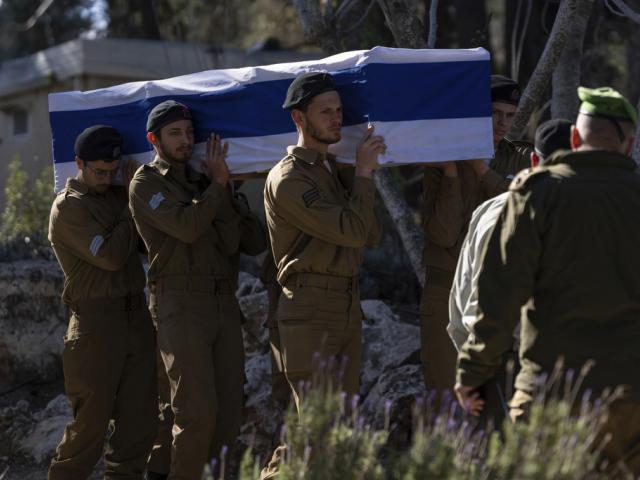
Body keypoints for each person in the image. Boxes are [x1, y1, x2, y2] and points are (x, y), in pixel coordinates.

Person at [455, 87, 640, 476]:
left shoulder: (537, 194)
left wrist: (474, 373)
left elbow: (498, 296)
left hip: (552, 391)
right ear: (630, 144)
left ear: (575, 140)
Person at [129, 101, 244, 480]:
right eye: (175, 133)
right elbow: (188, 227)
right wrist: (219, 187)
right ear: (154, 139)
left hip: (222, 301)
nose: (185, 140)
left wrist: (222, 190)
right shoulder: (145, 183)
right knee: (195, 413)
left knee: (228, 414)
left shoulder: (201, 181)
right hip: (179, 303)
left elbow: (234, 241)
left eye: (189, 132)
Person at [263, 71, 385, 411]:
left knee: (339, 429)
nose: (337, 120)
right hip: (309, 306)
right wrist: (362, 174)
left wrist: (353, 175)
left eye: (339, 111)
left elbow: (372, 234)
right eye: (326, 112)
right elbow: (354, 232)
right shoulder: (289, 178)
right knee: (319, 428)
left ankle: (283, 467)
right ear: (299, 119)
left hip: (345, 302)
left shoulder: (330, 170)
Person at [48, 125, 157, 479]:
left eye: (112, 173)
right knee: (89, 430)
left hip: (136, 317)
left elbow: (144, 245)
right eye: (99, 172)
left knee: (138, 427)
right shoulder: (68, 208)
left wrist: (134, 195)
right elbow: (110, 255)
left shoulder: (115, 195)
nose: (106, 179)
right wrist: (130, 201)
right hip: (96, 326)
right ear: (79, 163)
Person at [447, 118, 572, 427]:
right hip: (529, 360)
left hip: (495, 358)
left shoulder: (491, 210)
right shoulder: (585, 217)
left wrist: (472, 364)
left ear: (533, 159)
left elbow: (464, 299)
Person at [420, 74, 532, 395]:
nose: (502, 124)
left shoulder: (524, 158)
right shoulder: (445, 158)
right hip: (445, 286)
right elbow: (442, 233)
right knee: (445, 396)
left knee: (499, 398)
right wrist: (453, 173)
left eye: (510, 116)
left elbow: (524, 209)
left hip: (501, 289)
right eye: (494, 114)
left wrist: (482, 171)